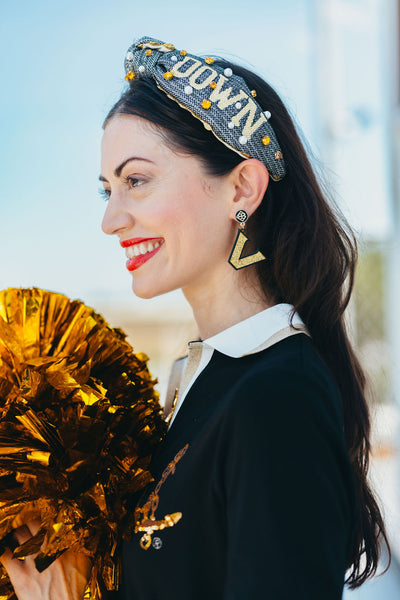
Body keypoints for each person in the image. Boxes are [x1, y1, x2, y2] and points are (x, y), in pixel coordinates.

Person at [1, 35, 390, 600]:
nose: (111, 219)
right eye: (106, 190)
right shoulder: (203, 381)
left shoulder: (278, 396)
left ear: (242, 187)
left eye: (136, 181)